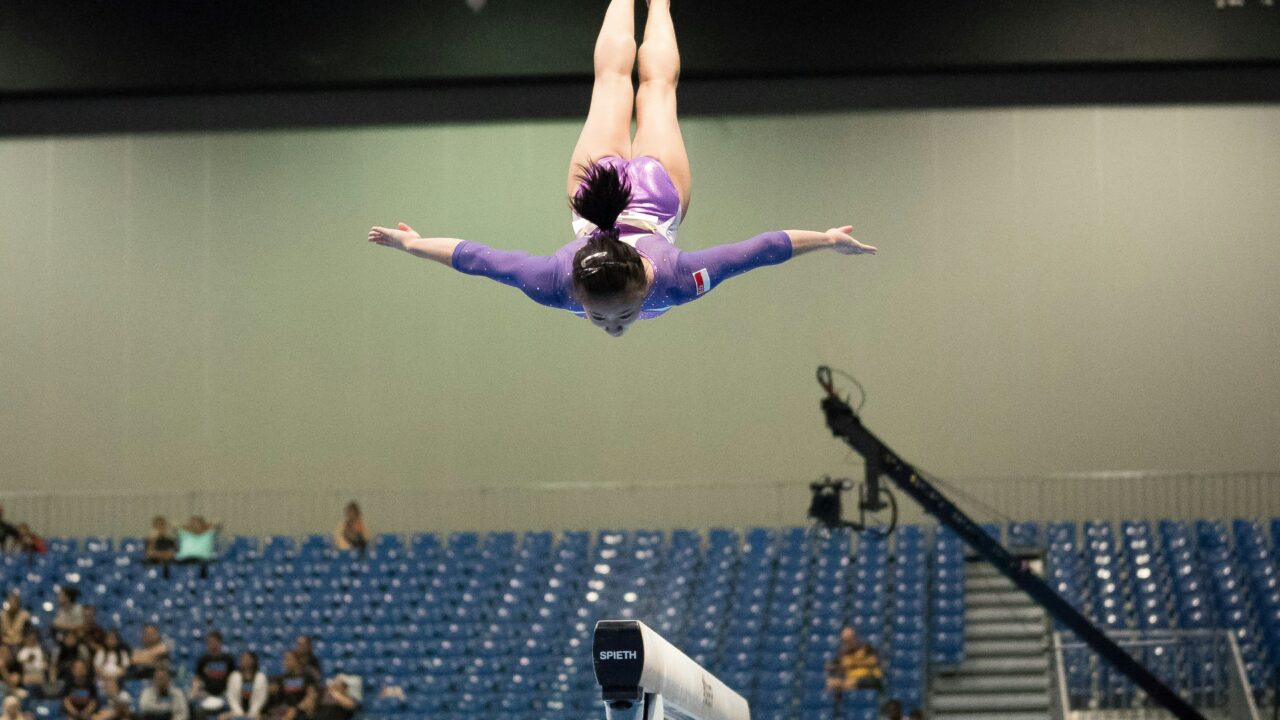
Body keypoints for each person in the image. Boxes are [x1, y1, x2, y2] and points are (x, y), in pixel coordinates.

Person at [366, 0, 877, 338]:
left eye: (610, 315)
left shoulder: (662, 282)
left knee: (637, 86)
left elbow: (475, 258)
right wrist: (825, 239)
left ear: (578, 292)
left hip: (652, 195)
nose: (613, 325)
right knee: (632, 85)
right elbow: (764, 249)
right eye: (616, 315)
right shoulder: (578, 281)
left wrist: (415, 245)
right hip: (603, 192)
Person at [826, 627, 884, 716]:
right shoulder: (844, 653)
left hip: (869, 679)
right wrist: (836, 666)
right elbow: (830, 666)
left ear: (856, 637)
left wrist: (853, 663)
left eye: (850, 639)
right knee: (832, 682)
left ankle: (843, 685)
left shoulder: (866, 647)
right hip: (850, 681)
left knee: (845, 683)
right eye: (845, 641)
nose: (848, 643)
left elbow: (873, 661)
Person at [189, 632, 233, 720]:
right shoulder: (203, 660)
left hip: (224, 693)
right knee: (195, 706)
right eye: (209, 642)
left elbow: (233, 678)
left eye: (214, 642)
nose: (212, 645)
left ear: (220, 643)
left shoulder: (228, 660)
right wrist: (194, 690)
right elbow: (197, 677)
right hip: (206, 693)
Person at [221, 652, 266, 720]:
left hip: (256, 711)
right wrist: (238, 712)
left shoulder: (261, 677)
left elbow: (262, 697)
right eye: (243, 659)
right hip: (236, 710)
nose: (246, 661)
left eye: (248, 659)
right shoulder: (234, 676)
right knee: (222, 717)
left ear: (253, 660)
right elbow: (231, 696)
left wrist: (253, 712)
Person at [273, 652, 315, 720]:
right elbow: (280, 700)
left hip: (301, 712)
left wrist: (296, 710)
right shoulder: (283, 678)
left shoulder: (307, 677)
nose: (284, 662)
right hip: (286, 711)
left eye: (288, 659)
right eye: (284, 660)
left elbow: (310, 697)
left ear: (297, 661)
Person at [16, 627, 51, 696]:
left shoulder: (40, 649)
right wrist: (27, 660)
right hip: (28, 673)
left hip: (39, 673)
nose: (31, 640)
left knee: (42, 677)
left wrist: (45, 664)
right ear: (26, 639)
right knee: (27, 679)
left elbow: (45, 661)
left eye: (33, 638)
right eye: (30, 638)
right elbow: (19, 661)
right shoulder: (23, 650)